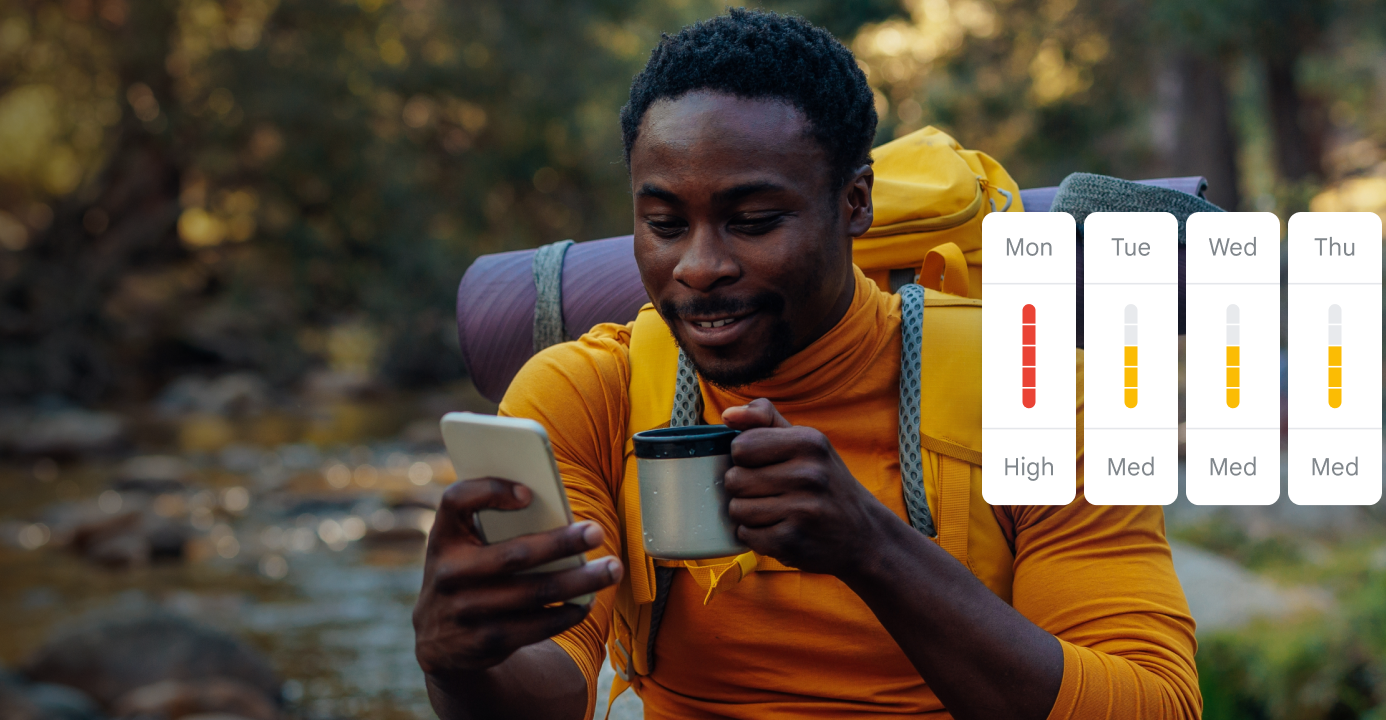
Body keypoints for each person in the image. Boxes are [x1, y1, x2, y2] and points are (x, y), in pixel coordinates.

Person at [412, 9, 1198, 720]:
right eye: (663, 222)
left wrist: (872, 548)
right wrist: (460, 663)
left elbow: (1157, 706)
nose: (700, 265)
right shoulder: (588, 395)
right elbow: (550, 696)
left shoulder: (1041, 389)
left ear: (854, 202)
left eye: (753, 221)